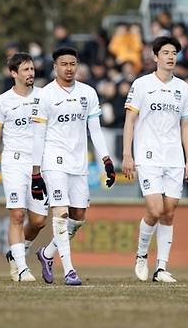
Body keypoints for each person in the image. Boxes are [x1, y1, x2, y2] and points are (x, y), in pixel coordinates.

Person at [31, 47, 116, 286]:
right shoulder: (46, 95)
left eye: (72, 64)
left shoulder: (88, 93)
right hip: (53, 160)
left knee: (78, 217)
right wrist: (36, 172)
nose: (69, 68)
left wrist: (106, 160)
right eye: (64, 64)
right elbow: (38, 136)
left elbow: (95, 129)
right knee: (61, 213)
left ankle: (46, 254)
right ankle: (69, 271)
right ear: (55, 67)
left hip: (79, 162)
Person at [122, 36, 188, 283]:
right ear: (155, 57)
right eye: (165, 52)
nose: (170, 56)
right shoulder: (142, 85)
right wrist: (127, 154)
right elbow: (130, 121)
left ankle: (161, 268)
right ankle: (142, 254)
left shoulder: (183, 88)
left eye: (174, 52)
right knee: (155, 209)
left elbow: (186, 125)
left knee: (170, 212)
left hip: (174, 157)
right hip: (148, 155)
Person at [0, 53, 48, 282]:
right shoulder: (3, 101)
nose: (31, 73)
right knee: (17, 215)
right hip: (14, 162)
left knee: (39, 221)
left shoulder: (44, 95)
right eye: (26, 70)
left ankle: (16, 253)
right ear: (13, 73)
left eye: (32, 69)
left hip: (40, 164)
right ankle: (21, 268)